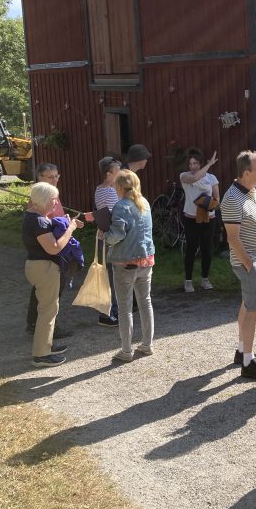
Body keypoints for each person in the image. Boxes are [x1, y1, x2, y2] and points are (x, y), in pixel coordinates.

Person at [220, 151, 256, 381]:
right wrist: (251, 264)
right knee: (254, 309)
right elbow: (233, 238)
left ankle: (242, 351)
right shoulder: (233, 198)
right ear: (245, 173)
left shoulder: (250, 191)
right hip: (248, 262)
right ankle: (248, 363)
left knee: (247, 304)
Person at [23, 181, 82, 366]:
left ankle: (45, 346)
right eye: (53, 200)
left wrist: (63, 222)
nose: (56, 203)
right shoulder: (40, 221)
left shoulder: (32, 216)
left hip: (36, 266)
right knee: (48, 311)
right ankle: (41, 355)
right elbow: (54, 248)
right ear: (44, 200)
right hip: (44, 268)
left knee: (47, 309)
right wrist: (70, 229)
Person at [104, 170, 155, 364]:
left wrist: (104, 236)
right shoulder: (145, 203)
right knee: (145, 301)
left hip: (125, 262)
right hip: (146, 260)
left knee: (124, 307)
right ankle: (147, 344)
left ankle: (126, 351)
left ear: (119, 187)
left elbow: (117, 234)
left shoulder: (121, 206)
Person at [25, 163, 71, 339]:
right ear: (40, 178)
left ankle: (35, 324)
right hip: (47, 252)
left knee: (48, 289)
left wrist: (65, 221)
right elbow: (42, 224)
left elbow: (54, 219)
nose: (55, 180)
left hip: (55, 248)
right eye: (50, 176)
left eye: (57, 176)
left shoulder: (53, 195)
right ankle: (43, 328)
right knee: (48, 291)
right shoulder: (40, 198)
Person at [179, 148, 219, 293]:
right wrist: (209, 165)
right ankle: (188, 281)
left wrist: (208, 206)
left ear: (200, 163)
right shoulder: (184, 176)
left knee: (207, 249)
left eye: (196, 163)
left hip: (208, 218)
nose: (193, 166)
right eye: (191, 164)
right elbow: (194, 179)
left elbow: (217, 198)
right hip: (191, 218)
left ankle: (205, 279)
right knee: (191, 248)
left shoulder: (211, 178)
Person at [94, 156, 121, 327]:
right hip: (111, 237)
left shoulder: (100, 189)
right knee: (113, 276)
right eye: (118, 172)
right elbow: (115, 215)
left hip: (104, 236)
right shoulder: (110, 192)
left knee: (109, 275)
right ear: (108, 174)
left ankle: (110, 311)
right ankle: (109, 312)